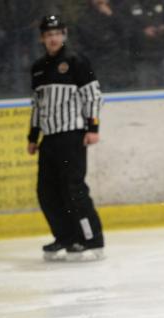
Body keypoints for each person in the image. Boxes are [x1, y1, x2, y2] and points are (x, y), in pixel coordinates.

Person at [26, 15, 105, 261]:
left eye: (57, 33)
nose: (53, 38)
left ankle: (92, 241)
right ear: (42, 38)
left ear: (64, 34)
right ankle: (67, 237)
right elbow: (37, 106)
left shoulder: (76, 61)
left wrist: (93, 128)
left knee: (74, 190)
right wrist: (33, 136)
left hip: (72, 136)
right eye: (48, 35)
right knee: (47, 192)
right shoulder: (38, 68)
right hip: (49, 139)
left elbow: (93, 96)